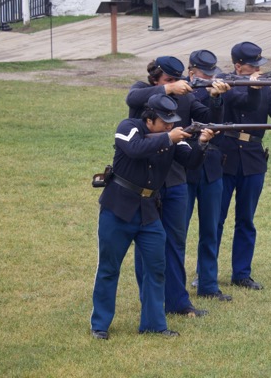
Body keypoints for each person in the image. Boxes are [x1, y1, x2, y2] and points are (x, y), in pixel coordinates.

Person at [90, 94, 215, 340]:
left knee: (156, 268)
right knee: (109, 268)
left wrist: (201, 143)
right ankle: (100, 324)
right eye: (165, 121)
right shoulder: (128, 128)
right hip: (118, 207)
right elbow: (135, 149)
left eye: (172, 122)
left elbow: (190, 162)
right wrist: (169, 137)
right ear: (149, 118)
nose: (170, 125)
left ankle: (154, 324)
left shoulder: (172, 136)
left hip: (149, 211)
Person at [125, 56, 230, 317]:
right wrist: (168, 89)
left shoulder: (186, 97)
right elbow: (133, 100)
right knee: (146, 244)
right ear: (156, 79)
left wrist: (216, 98)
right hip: (146, 181)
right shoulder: (142, 91)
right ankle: (149, 299)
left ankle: (178, 302)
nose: (175, 84)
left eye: (176, 80)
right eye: (168, 80)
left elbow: (210, 119)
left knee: (175, 242)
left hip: (176, 179)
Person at [216, 42, 271, 291]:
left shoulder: (264, 88)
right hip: (226, 157)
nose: (258, 70)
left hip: (253, 158)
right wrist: (253, 87)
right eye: (252, 66)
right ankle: (206, 273)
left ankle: (242, 273)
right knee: (216, 219)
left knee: (246, 220)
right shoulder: (224, 83)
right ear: (238, 66)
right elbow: (243, 102)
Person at [185, 49, 260, 302]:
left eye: (211, 73)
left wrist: (216, 98)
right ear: (191, 72)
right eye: (203, 74)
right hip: (183, 168)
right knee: (178, 233)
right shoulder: (181, 92)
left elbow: (215, 120)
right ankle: (176, 284)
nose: (208, 77)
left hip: (212, 166)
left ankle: (208, 282)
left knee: (211, 227)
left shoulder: (213, 91)